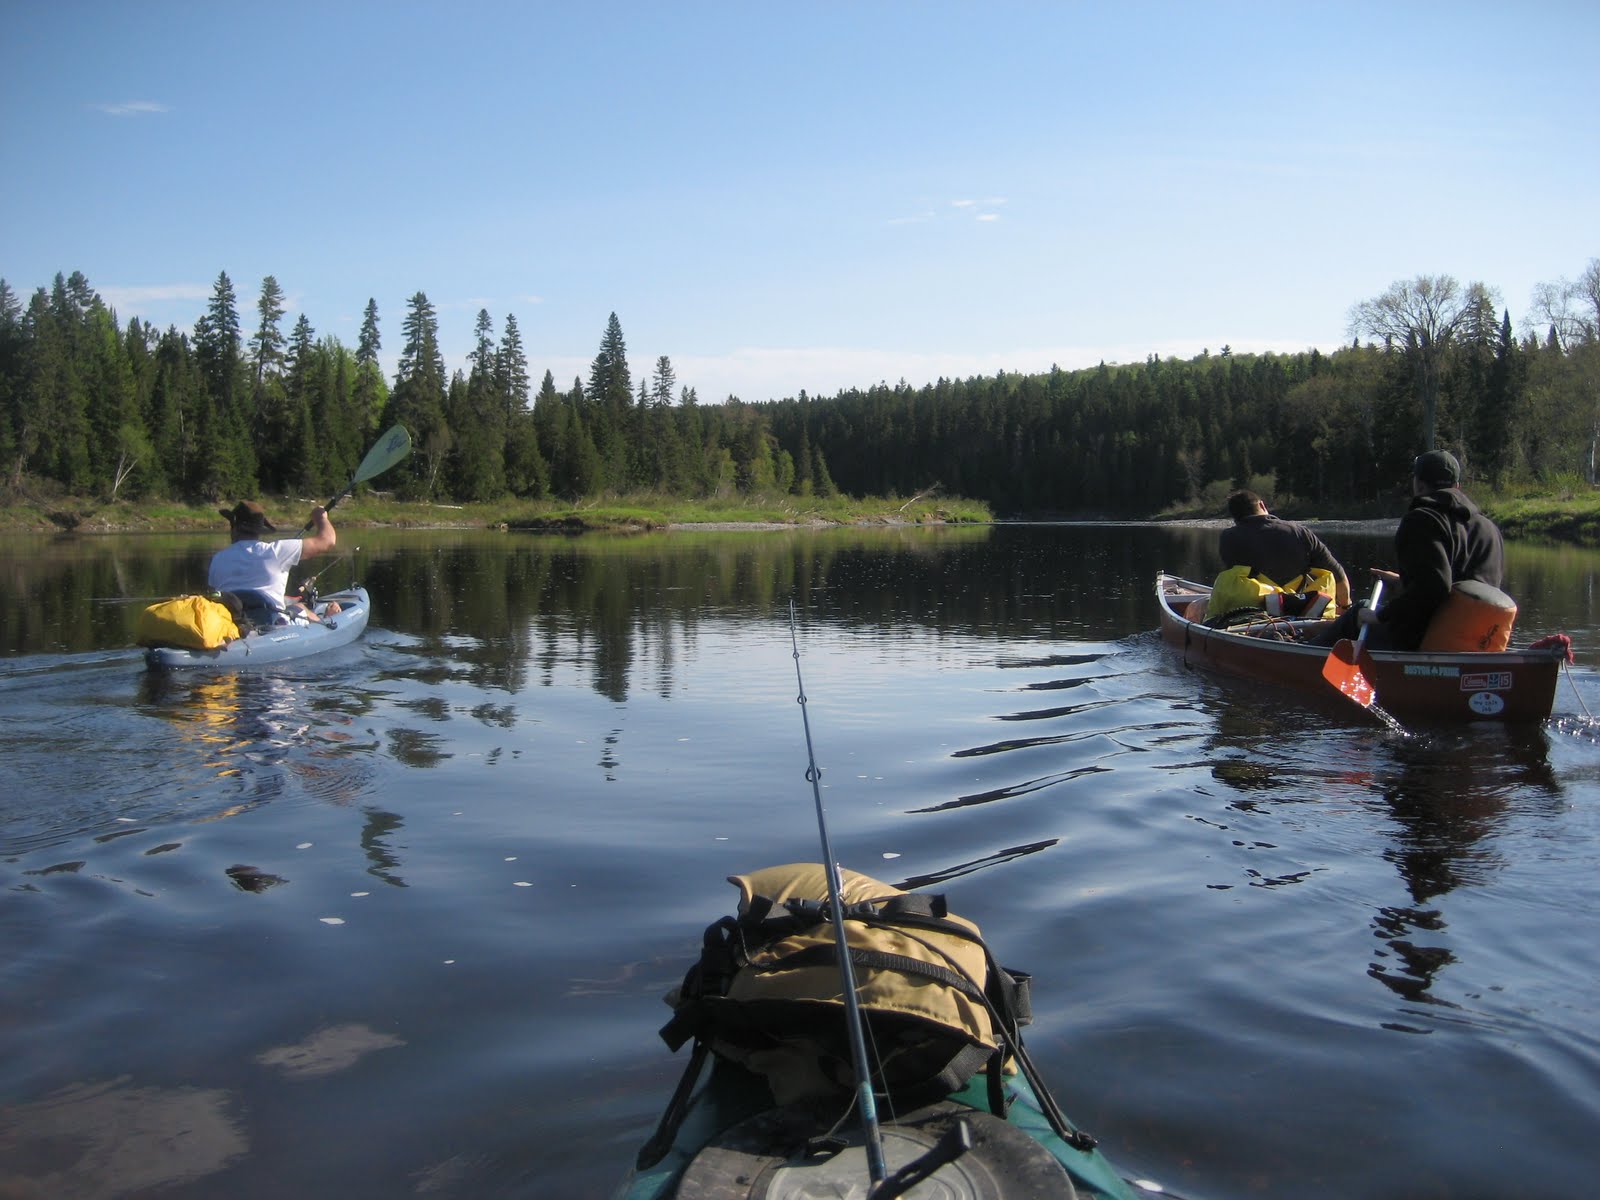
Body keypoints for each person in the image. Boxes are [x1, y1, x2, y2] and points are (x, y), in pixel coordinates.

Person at [1313, 450, 1504, 651]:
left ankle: (1303, 659)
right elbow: (1458, 588)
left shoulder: (1422, 520)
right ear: (1457, 486)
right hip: (1479, 642)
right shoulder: (1489, 528)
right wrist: (1402, 583)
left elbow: (1435, 588)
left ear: (1419, 484)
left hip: (1426, 641)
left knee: (1360, 611)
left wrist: (1380, 616)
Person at [208, 500, 339, 626]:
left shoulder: (218, 559)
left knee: (293, 605)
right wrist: (320, 517)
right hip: (271, 622)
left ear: (234, 527)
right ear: (259, 530)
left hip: (230, 622)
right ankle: (327, 621)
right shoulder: (275, 551)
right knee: (300, 608)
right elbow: (328, 541)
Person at [1218, 490, 1352, 611]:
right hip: (1300, 607)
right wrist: (1345, 606)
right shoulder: (1300, 532)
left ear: (1235, 518)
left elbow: (1233, 578)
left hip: (1255, 609)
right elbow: (1337, 573)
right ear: (1262, 505)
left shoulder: (1229, 537)